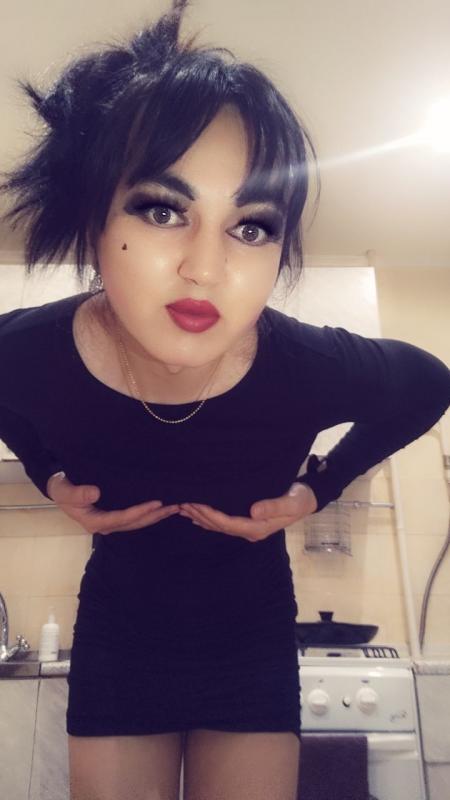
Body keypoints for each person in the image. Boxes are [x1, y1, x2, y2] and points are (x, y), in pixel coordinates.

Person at [0, 1, 449, 798]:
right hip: (121, 635)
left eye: (251, 227)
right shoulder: (29, 349)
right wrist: (49, 477)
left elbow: (428, 384)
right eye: (163, 209)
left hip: (251, 635)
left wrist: (317, 489)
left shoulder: (304, 364)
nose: (206, 269)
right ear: (94, 220)